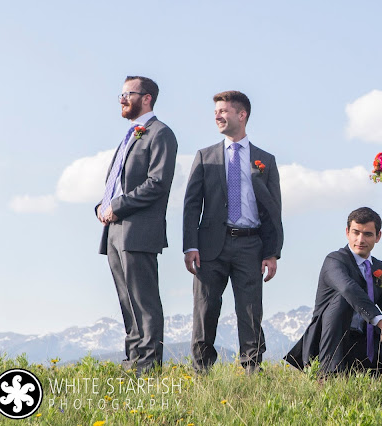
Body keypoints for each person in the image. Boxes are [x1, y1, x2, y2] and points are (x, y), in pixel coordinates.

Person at [183, 91, 283, 375]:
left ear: (242, 115)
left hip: (251, 245)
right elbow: (191, 205)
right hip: (209, 247)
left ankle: (252, 369)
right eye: (216, 111)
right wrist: (190, 245)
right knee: (205, 309)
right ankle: (201, 370)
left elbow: (274, 210)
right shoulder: (205, 157)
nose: (217, 115)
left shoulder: (265, 160)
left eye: (224, 110)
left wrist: (272, 252)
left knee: (251, 311)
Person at [285, 207, 382, 374]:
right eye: (356, 232)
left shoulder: (380, 269)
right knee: (343, 299)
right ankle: (328, 375)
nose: (360, 239)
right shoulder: (334, 260)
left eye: (368, 234)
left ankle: (373, 377)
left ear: (378, 237)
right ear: (347, 233)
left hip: (364, 344)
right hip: (331, 345)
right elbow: (349, 289)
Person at [96, 76, 178, 374]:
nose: (120, 99)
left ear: (146, 98)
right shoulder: (129, 136)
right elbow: (116, 182)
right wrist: (102, 206)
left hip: (139, 231)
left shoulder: (161, 134)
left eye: (126, 94)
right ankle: (132, 361)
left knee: (143, 300)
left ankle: (148, 365)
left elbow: (157, 183)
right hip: (114, 232)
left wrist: (116, 206)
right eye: (119, 94)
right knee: (125, 299)